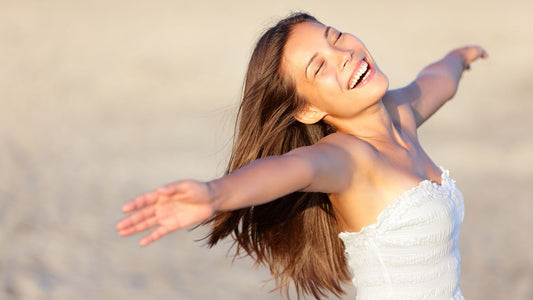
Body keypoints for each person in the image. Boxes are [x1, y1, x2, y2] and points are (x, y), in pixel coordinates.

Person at [116, 12, 487, 300]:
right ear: (308, 111)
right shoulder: (347, 158)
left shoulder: (402, 114)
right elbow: (289, 168)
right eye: (319, 66)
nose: (343, 55)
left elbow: (439, 80)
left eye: (336, 38)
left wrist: (460, 55)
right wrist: (216, 193)